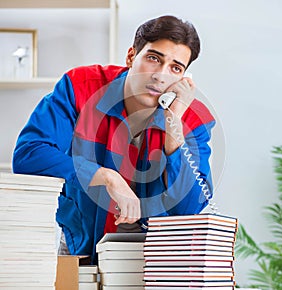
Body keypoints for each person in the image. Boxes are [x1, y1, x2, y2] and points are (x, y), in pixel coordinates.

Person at [13, 15, 215, 263]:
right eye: (154, 58)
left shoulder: (192, 120)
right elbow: (29, 154)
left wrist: (174, 131)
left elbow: (188, 209)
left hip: (153, 259)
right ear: (131, 56)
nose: (161, 76)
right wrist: (106, 177)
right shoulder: (81, 87)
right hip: (82, 244)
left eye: (175, 68)